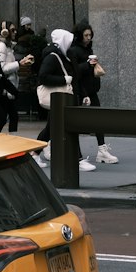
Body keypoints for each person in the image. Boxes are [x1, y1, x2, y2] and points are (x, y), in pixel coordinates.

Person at [35, 28, 94, 172]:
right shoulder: (53, 57)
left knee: (50, 129)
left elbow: (75, 77)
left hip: (65, 97)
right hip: (60, 98)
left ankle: (34, 153)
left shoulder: (67, 55)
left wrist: (84, 94)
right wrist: (63, 80)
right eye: (68, 40)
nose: (70, 43)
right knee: (69, 127)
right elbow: (43, 77)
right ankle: (77, 159)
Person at [69, 21, 118, 164]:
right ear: (80, 35)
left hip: (90, 89)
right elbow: (75, 71)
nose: (88, 38)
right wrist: (87, 65)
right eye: (86, 35)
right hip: (80, 90)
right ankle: (53, 148)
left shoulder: (88, 49)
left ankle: (102, 149)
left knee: (98, 118)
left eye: (90, 35)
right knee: (75, 122)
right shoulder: (74, 50)